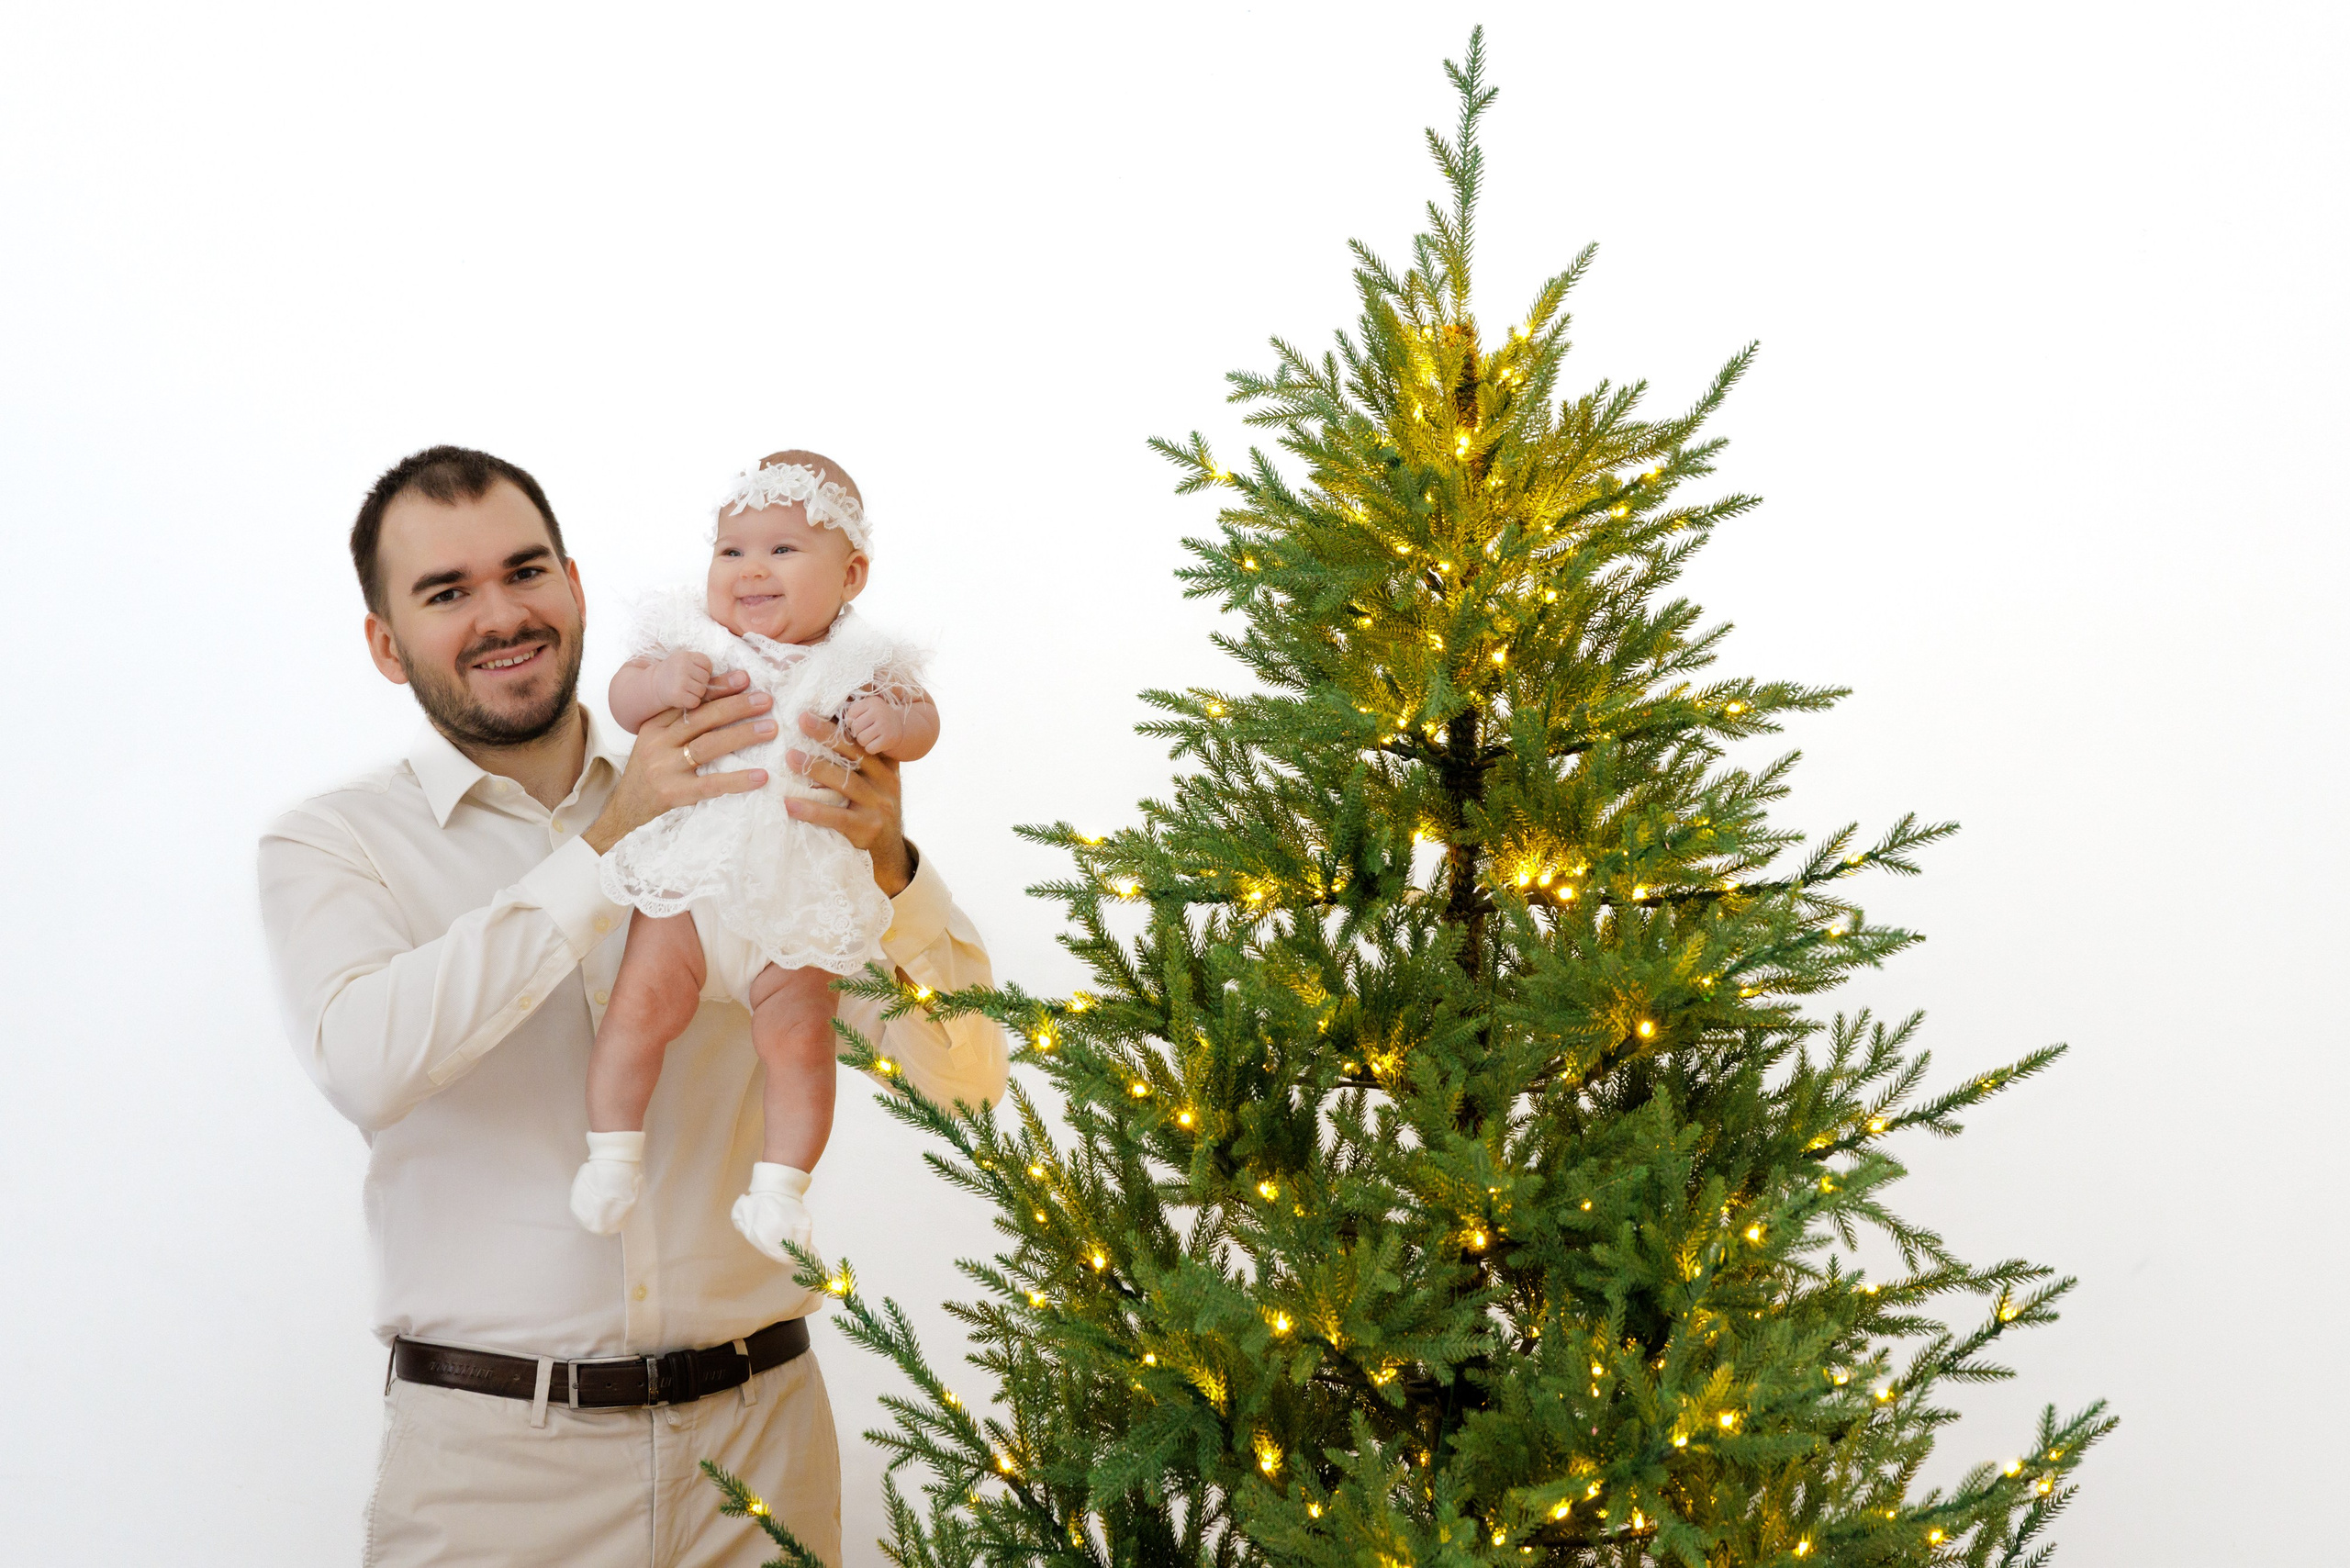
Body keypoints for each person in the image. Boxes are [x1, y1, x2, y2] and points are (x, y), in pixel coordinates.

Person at [257, 444, 1004, 1568]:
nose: (501, 614)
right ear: (385, 642)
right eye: (446, 592)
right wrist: (610, 844)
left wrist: (887, 868)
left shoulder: (748, 788)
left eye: (526, 571)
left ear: (574, 585)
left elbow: (968, 1078)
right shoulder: (332, 842)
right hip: (495, 1474)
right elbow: (367, 1064)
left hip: (759, 1450)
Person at [575, 449, 939, 1267]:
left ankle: (778, 1191)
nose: (751, 569)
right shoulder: (692, 638)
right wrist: (660, 684)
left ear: (851, 576)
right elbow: (625, 698)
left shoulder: (862, 662)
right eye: (731, 550)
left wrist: (891, 724)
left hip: (794, 903)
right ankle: (611, 1156)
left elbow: (923, 720)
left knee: (802, 1045)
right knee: (637, 1010)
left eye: (782, 549)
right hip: (690, 889)